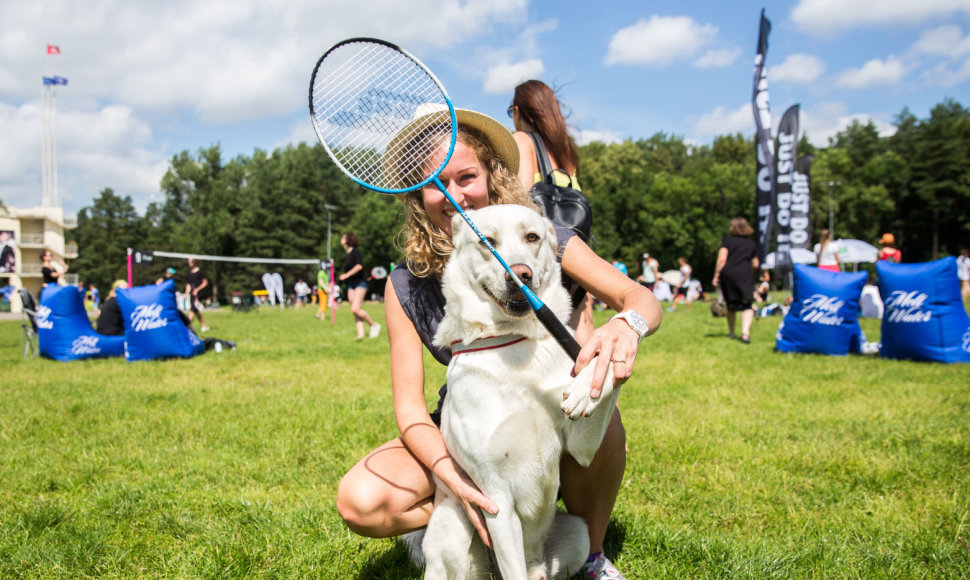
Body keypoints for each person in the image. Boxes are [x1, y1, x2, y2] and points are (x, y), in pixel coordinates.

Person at [335, 107, 661, 580]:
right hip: (474, 421)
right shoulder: (405, 283)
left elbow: (640, 297)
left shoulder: (543, 236)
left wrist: (626, 325)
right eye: (436, 183)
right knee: (362, 501)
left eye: (466, 175)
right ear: (416, 196)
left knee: (600, 407)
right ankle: (457, 537)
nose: (455, 193)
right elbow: (409, 411)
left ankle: (588, 552)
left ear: (491, 174)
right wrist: (455, 476)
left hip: (553, 406)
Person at [508, 79, 595, 343]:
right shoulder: (565, 154)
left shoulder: (523, 140)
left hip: (543, 260)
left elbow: (518, 206)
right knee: (581, 346)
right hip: (578, 259)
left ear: (519, 111)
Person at [712, 217, 760, 343]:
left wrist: (716, 275)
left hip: (729, 274)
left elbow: (722, 259)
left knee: (731, 305)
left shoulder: (727, 241)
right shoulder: (751, 244)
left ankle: (732, 333)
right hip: (745, 273)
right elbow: (755, 264)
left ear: (734, 228)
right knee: (747, 305)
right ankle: (745, 334)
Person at [338, 232, 380, 339]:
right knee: (355, 310)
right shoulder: (347, 254)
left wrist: (346, 275)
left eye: (343, 237)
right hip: (351, 284)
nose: (341, 238)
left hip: (360, 283)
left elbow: (359, 266)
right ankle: (361, 334)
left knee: (355, 309)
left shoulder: (355, 251)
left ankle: (374, 325)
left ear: (348, 240)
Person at [184, 258, 210, 332]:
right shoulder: (189, 273)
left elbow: (205, 283)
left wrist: (197, 289)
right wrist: (186, 293)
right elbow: (188, 284)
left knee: (193, 309)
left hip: (199, 294)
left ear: (194, 262)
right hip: (192, 294)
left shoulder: (200, 272)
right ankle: (204, 326)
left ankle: (186, 327)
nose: (188, 263)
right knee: (196, 311)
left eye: (190, 261)